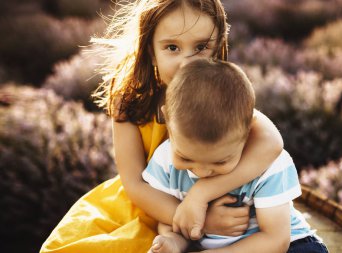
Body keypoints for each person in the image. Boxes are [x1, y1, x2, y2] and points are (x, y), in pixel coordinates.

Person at [40, 1, 284, 252]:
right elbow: (134, 184)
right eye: (172, 47)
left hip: (209, 201)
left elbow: (271, 143)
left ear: (218, 46)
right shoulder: (129, 103)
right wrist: (195, 220)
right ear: (150, 51)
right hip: (150, 207)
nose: (186, 63)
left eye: (201, 47)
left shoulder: (218, 97)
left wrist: (201, 195)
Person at [143, 59, 329, 253]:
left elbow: (275, 240)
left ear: (248, 133)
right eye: (185, 159)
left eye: (220, 161)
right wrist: (172, 242)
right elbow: (176, 221)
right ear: (167, 120)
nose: (202, 171)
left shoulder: (269, 166)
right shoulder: (164, 161)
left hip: (287, 245)